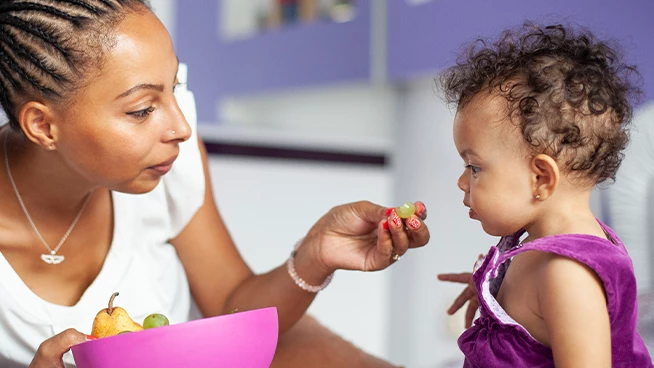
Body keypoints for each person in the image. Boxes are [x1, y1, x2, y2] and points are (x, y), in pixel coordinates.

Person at [0, 1, 430, 367]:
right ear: (42, 125)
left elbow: (229, 304)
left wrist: (317, 254)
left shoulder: (168, 163)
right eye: (142, 110)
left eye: (176, 88)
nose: (182, 128)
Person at [435, 22, 652, 367]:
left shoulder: (567, 274)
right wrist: (494, 298)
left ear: (541, 177)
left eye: (474, 167)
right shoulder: (537, 246)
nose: (463, 182)